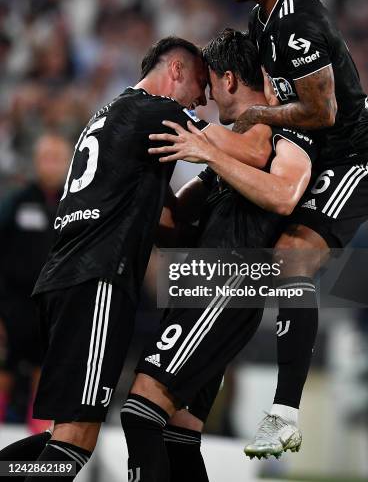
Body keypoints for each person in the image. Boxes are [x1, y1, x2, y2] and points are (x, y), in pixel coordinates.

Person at [0, 36, 273, 481]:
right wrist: (270, 112)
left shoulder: (115, 117)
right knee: (75, 439)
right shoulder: (157, 110)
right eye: (201, 85)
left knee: (64, 434)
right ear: (176, 72)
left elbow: (165, 223)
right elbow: (258, 150)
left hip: (68, 280)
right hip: (98, 282)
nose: (202, 101)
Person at [220, 0, 368, 458]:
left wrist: (256, 116)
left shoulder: (297, 24)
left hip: (356, 160)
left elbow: (321, 112)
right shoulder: (262, 16)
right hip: (319, 155)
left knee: (292, 259)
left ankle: (283, 412)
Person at [124, 29, 316, 482]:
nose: (205, 96)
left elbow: (283, 191)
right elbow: (176, 223)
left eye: (209, 84)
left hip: (227, 283)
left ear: (228, 79)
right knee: (179, 431)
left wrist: (204, 148)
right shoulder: (228, 147)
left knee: (140, 410)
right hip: (205, 286)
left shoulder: (275, 128)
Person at [0, 134, 71, 432]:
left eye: (56, 158)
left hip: (54, 307)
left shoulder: (75, 205)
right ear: (35, 161)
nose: (50, 164)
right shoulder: (15, 203)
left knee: (47, 375)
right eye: (45, 157)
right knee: (5, 369)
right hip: (13, 305)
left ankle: (39, 447)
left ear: (68, 162)